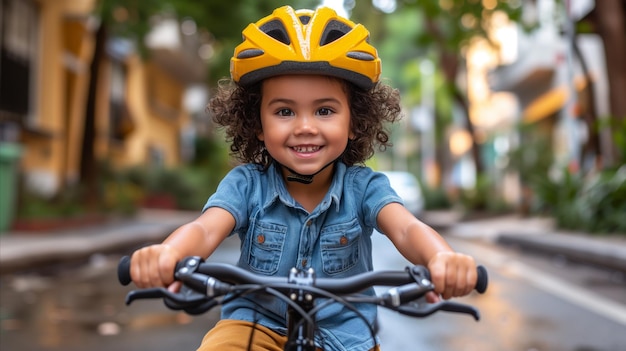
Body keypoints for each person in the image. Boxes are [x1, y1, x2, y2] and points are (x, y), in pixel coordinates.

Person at [129, 6, 477, 351]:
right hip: (253, 326)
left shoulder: (365, 188)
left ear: (354, 121)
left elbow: (406, 228)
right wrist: (168, 254)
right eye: (284, 111)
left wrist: (441, 258)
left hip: (348, 337)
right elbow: (205, 229)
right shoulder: (247, 185)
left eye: (324, 110)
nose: (305, 127)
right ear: (257, 124)